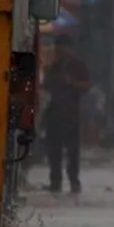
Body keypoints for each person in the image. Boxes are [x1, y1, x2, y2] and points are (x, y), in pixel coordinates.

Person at [41, 34, 90, 193]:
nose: (59, 51)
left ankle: (74, 181)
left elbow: (86, 85)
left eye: (62, 48)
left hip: (71, 114)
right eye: (57, 48)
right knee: (53, 150)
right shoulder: (53, 65)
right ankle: (55, 182)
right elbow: (45, 85)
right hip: (54, 112)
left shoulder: (77, 65)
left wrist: (72, 83)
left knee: (72, 151)